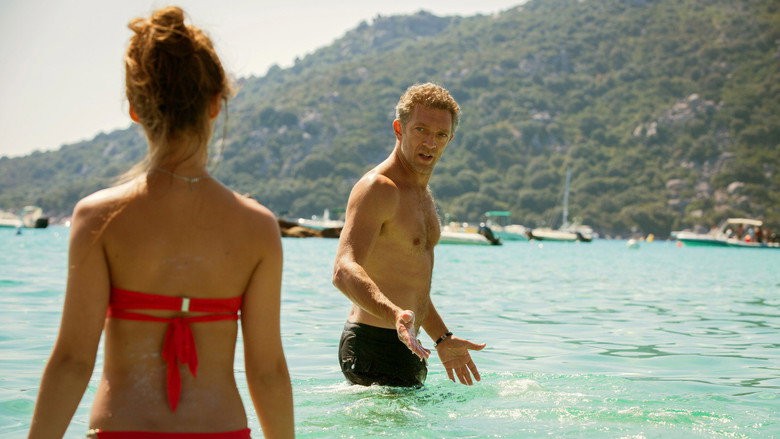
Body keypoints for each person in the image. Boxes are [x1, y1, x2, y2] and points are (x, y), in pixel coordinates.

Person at [28, 7, 293, 438]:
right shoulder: (258, 227)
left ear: (135, 109)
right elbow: (267, 371)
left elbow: (73, 361)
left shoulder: (99, 218)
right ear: (215, 104)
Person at [332, 83, 486, 387]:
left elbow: (411, 284)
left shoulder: (421, 194)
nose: (430, 142)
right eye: (421, 130)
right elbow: (343, 269)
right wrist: (394, 315)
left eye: (440, 134)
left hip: (408, 342)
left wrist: (442, 338)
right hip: (373, 345)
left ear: (450, 139)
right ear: (399, 129)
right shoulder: (379, 188)